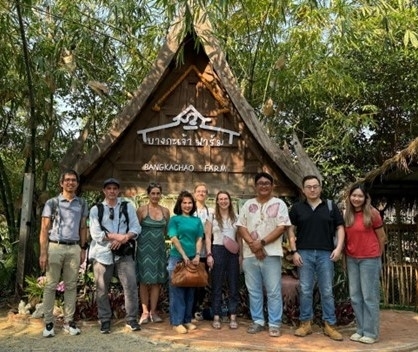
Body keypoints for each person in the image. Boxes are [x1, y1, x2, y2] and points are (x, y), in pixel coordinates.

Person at [288, 175, 345, 341]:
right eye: (308, 187)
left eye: (315, 186)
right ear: (303, 189)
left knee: (326, 290)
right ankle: (306, 323)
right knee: (305, 290)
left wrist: (339, 248)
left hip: (326, 254)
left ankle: (330, 325)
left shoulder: (330, 206)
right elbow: (291, 230)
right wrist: (294, 251)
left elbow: (340, 228)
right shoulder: (297, 208)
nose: (312, 189)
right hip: (304, 253)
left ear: (320, 188)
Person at [237, 172, 291, 337]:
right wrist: (254, 246)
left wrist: (261, 243)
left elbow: (281, 227)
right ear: (255, 186)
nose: (263, 186)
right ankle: (258, 321)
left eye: (267, 183)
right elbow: (241, 227)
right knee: (254, 290)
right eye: (260, 183)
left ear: (272, 185)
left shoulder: (279, 204)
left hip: (272, 254)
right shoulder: (247, 205)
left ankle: (274, 323)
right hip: (249, 254)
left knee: (273, 290)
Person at [39, 169, 88, 337]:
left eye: (73, 180)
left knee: (71, 286)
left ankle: (69, 322)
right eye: (67, 180)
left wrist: (83, 248)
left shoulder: (82, 203)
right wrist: (43, 253)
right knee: (51, 285)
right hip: (55, 247)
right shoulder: (52, 203)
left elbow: (83, 227)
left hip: (74, 247)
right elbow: (44, 229)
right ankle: (48, 323)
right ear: (61, 183)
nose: (70, 182)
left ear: (77, 183)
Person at [89, 178, 142, 334]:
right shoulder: (95, 210)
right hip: (102, 253)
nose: (112, 191)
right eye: (109, 188)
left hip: (124, 253)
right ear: (104, 191)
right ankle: (105, 320)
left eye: (115, 188)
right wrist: (115, 237)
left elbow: (136, 227)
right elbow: (96, 233)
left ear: (119, 191)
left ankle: (131, 319)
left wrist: (124, 238)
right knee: (101, 288)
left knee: (131, 286)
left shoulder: (127, 207)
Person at [344, 183, 386, 344]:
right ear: (350, 197)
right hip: (352, 258)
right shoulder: (347, 214)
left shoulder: (373, 213)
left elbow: (382, 237)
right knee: (355, 296)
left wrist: (377, 256)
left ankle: (370, 332)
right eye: (354, 195)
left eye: (360, 196)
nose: (356, 198)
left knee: (369, 296)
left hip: (370, 259)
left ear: (365, 197)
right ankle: (360, 329)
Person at [167, 190, 204, 334]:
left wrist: (197, 255)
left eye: (190, 203)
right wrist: (184, 255)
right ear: (180, 204)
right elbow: (174, 238)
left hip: (193, 259)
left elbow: (199, 239)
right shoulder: (174, 219)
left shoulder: (197, 221)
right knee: (177, 291)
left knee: (190, 291)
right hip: (177, 258)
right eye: (184, 203)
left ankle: (187, 320)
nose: (187, 205)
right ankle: (177, 322)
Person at [136, 182, 170, 324]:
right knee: (144, 281)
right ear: (148, 195)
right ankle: (144, 312)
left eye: (158, 193)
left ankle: (154, 312)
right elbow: (135, 230)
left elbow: (167, 231)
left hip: (159, 249)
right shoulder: (142, 210)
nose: (155, 196)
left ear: (160, 195)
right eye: (153, 193)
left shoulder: (166, 211)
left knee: (157, 281)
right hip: (144, 250)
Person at [209, 191, 240, 330]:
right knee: (217, 285)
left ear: (229, 200)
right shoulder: (212, 217)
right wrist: (209, 254)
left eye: (225, 198)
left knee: (233, 285)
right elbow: (207, 238)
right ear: (217, 201)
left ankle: (233, 316)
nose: (223, 201)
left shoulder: (236, 218)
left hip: (233, 252)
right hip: (217, 250)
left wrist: (241, 255)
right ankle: (217, 315)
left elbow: (240, 238)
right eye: (220, 199)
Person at [192, 183, 214, 319]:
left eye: (203, 191)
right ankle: (189, 310)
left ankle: (197, 309)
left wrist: (210, 253)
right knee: (188, 281)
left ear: (206, 194)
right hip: (190, 252)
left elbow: (209, 235)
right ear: (194, 193)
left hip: (204, 253)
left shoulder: (210, 212)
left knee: (201, 282)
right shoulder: (189, 210)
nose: (201, 193)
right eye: (198, 191)